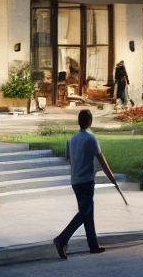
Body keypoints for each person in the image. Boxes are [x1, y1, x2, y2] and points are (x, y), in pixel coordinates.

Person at [53, 108, 116, 259]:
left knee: (88, 213)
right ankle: (61, 239)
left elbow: (68, 158)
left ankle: (93, 245)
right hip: (87, 180)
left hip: (75, 181)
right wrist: (111, 177)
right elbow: (101, 158)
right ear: (89, 122)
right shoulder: (91, 138)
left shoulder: (72, 140)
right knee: (85, 213)